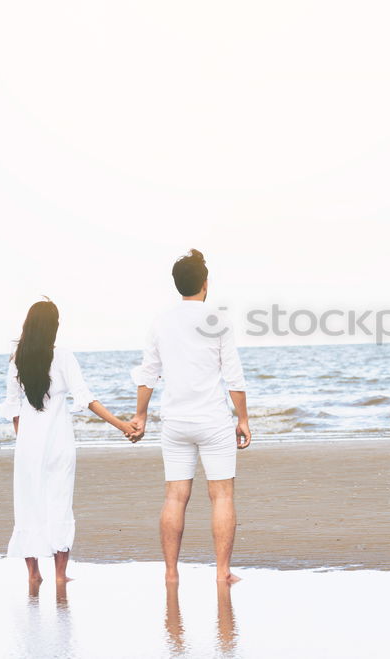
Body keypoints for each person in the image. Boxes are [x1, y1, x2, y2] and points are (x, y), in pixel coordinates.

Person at [128, 249, 251, 585]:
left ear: (177, 284)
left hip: (176, 423)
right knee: (222, 495)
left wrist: (140, 414)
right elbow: (234, 377)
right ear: (205, 283)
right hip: (213, 421)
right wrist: (243, 419)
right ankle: (222, 571)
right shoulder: (217, 320)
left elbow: (148, 373)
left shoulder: (161, 321)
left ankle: (171, 573)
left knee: (174, 496)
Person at [0, 298, 136, 585]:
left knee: (29, 505)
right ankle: (61, 575)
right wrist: (121, 424)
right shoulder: (62, 356)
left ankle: (34, 574)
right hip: (59, 443)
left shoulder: (16, 360)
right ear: (53, 327)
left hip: (27, 446)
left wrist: (24, 444)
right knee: (60, 503)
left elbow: (13, 409)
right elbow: (85, 398)